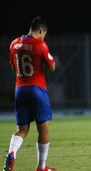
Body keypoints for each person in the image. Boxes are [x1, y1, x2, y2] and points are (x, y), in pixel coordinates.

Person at [3, 17, 56, 171]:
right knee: (43, 128)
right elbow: (52, 66)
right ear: (41, 31)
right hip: (37, 89)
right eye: (44, 34)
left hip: (20, 89)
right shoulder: (40, 44)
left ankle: (12, 152)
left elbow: (14, 67)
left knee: (22, 129)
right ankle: (41, 167)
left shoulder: (14, 44)